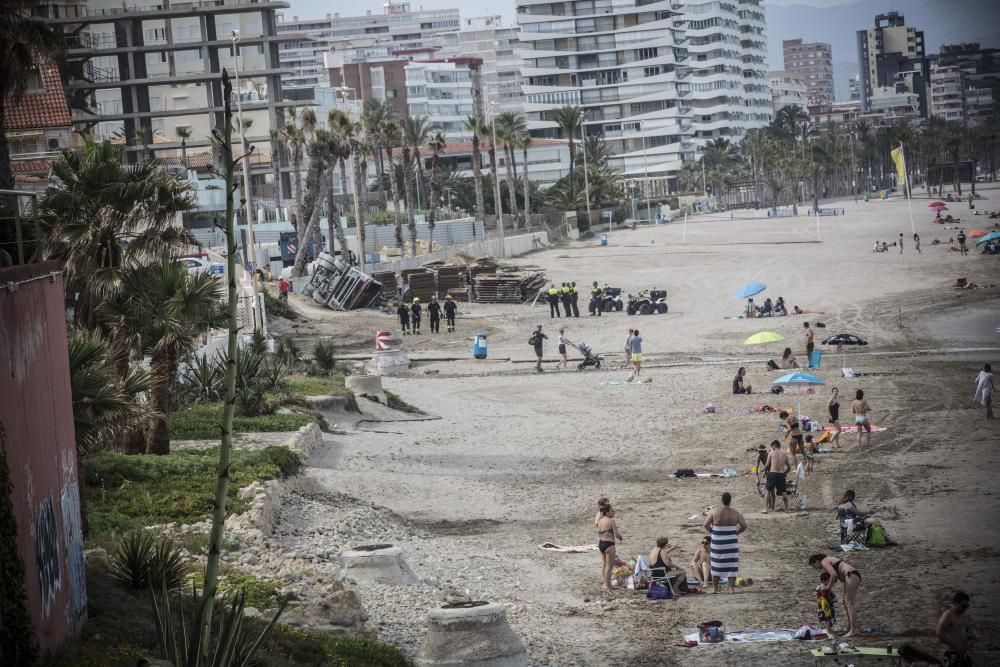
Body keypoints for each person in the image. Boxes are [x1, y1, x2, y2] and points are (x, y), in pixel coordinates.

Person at [703, 492, 747, 594]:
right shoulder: (735, 513)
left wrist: (712, 532)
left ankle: (715, 588)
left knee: (716, 564)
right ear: (730, 501)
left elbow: (705, 524)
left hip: (717, 542)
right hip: (731, 542)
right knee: (732, 565)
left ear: (721, 500)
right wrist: (737, 532)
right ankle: (731, 588)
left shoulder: (714, 512)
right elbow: (744, 526)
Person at [809, 554, 861, 636]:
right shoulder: (827, 560)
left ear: (816, 561)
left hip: (851, 575)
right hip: (851, 575)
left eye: (814, 566)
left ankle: (853, 630)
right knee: (846, 602)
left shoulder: (824, 561)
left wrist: (827, 587)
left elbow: (834, 575)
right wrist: (825, 585)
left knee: (849, 602)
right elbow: (833, 578)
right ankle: (851, 628)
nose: (816, 568)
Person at [937, 591, 975, 666]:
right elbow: (939, 633)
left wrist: (970, 637)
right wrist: (956, 647)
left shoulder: (960, 616)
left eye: (967, 606)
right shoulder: (948, 615)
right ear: (955, 603)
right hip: (953, 654)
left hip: (963, 654)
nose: (965, 609)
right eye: (963, 606)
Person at [596, 504, 623, 593]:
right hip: (609, 544)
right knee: (609, 566)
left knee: (604, 565)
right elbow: (616, 534)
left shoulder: (599, 521)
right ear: (607, 512)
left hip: (601, 543)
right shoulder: (611, 521)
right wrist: (620, 537)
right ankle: (609, 587)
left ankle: (606, 584)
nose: (613, 512)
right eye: (611, 511)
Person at [763, 440, 790, 514]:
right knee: (784, 492)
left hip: (773, 474)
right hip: (781, 474)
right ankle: (787, 509)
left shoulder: (771, 453)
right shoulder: (785, 454)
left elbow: (767, 465)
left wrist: (765, 472)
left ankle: (765, 509)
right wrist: (785, 473)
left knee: (768, 490)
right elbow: (789, 467)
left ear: (774, 446)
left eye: (772, 447)